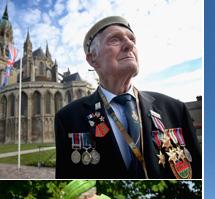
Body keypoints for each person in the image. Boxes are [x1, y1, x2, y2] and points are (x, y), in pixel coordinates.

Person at [55, 16, 201, 179]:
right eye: (115, 40)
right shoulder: (69, 118)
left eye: (132, 39)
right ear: (92, 59)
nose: (130, 45)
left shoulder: (174, 109)